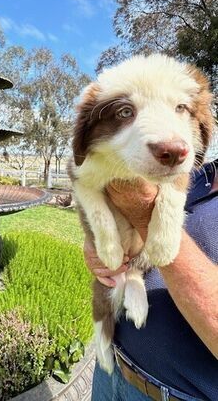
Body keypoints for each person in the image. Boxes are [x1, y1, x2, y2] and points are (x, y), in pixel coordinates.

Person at [84, 160, 218, 401]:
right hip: (112, 370)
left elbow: (151, 223)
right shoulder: (201, 173)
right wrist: (103, 239)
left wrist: (146, 214)